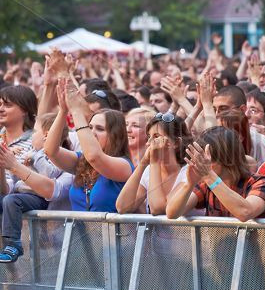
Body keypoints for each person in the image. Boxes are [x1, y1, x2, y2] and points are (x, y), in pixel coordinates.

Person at [44, 79, 133, 212]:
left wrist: (77, 111)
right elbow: (51, 151)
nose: (92, 133)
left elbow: (95, 157)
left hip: (111, 233)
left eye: (100, 129)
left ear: (116, 135)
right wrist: (63, 111)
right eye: (90, 127)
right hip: (78, 233)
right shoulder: (82, 160)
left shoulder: (124, 165)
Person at [0, 113, 73, 263]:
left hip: (38, 197)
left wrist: (37, 155)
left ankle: (13, 244)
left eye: (34, 131)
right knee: (7, 199)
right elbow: (12, 181)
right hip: (21, 194)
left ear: (46, 135)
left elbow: (50, 173)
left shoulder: (57, 154)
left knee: (11, 201)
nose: (32, 136)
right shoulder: (32, 152)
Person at [166, 126, 265, 221]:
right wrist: (189, 184)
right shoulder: (207, 185)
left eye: (207, 160)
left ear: (227, 159)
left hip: (253, 245)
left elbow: (245, 212)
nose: (202, 165)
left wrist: (209, 175)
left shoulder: (261, 182)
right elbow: (172, 213)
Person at [116, 112, 195, 215]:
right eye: (149, 136)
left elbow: (158, 209)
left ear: (175, 143)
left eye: (156, 137)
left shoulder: (189, 171)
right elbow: (122, 207)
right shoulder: (149, 169)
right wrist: (143, 163)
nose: (148, 143)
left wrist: (154, 162)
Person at [212, 85, 265, 166]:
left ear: (242, 109)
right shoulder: (212, 139)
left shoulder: (261, 143)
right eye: (214, 110)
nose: (217, 115)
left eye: (223, 109)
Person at [0, 85, 37, 193]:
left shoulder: (35, 142)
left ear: (25, 110)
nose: (1, 109)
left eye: (7, 105)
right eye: (0, 104)